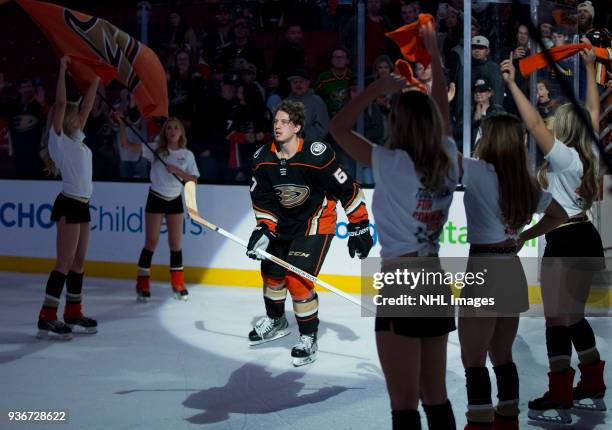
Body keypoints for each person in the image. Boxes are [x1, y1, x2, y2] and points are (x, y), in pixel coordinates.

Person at [330, 22, 457, 429]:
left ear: (398, 124)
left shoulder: (390, 163)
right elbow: (442, 110)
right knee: (436, 397)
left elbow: (337, 130)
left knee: (404, 405)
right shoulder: (448, 157)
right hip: (435, 279)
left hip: (401, 280)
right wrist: (434, 53)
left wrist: (374, 89)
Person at [503, 41, 607, 423]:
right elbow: (594, 112)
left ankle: (560, 391)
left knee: (555, 320)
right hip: (585, 236)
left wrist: (514, 84)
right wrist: (592, 68)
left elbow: (531, 124)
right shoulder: (590, 151)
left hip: (564, 241)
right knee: (574, 316)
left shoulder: (563, 158)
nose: (546, 126)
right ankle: (593, 382)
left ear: (562, 130)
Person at [459, 111, 567, 430]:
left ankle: (478, 422)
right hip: (510, 268)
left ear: (489, 138)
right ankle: (508, 420)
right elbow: (559, 213)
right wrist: (523, 236)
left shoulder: (478, 171)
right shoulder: (524, 180)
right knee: (502, 354)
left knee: (473, 359)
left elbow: (438, 148)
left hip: (484, 268)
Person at [246, 99, 373, 366]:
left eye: (284, 122)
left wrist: (359, 225)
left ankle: (308, 337)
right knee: (271, 275)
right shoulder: (263, 158)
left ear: (298, 127)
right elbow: (264, 199)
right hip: (282, 226)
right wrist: (264, 228)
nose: (277, 126)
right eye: (275, 121)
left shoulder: (316, 155)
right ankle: (277, 320)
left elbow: (347, 189)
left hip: (316, 223)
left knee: (298, 279)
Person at [36, 56, 100, 339]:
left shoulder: (77, 140)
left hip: (83, 206)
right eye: (73, 113)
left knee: (79, 262)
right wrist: (61, 69)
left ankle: (73, 312)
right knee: (64, 262)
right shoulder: (59, 140)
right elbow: (61, 104)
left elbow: (87, 105)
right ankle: (47, 315)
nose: (78, 114)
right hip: (69, 204)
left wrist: (97, 78)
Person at [118, 116, 199, 302]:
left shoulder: (187, 155)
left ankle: (178, 284)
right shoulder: (156, 149)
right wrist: (122, 125)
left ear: (181, 132)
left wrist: (177, 170)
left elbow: (193, 180)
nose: (172, 131)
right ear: (165, 131)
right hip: (156, 197)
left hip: (174, 199)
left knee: (175, 243)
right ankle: (143, 283)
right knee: (151, 241)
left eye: (176, 128)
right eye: (169, 128)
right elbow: (125, 144)